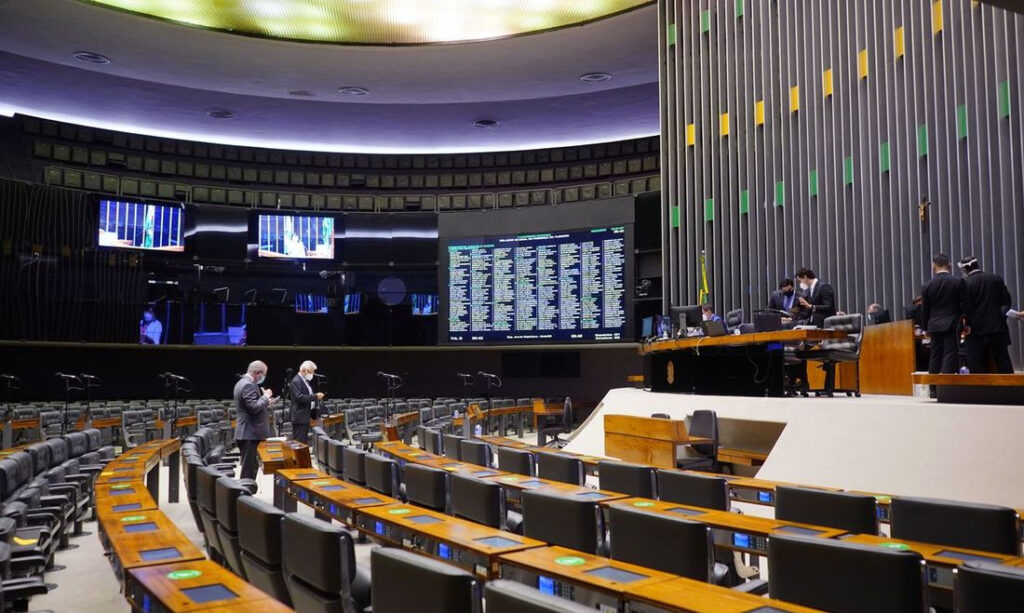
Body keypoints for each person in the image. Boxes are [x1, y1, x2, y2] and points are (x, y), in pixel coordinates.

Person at [958, 256, 1014, 373]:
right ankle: (1009, 383)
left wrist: (966, 324)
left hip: (975, 329)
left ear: (964, 269)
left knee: (975, 360)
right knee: (1002, 359)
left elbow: (965, 307)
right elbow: (1006, 301)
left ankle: (979, 384)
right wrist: (1000, 316)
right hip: (997, 327)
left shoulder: (966, 283)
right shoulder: (995, 278)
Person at [921, 253, 965, 374]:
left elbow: (925, 309)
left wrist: (925, 328)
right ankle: (946, 382)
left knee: (935, 355)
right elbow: (964, 304)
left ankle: (933, 383)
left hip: (934, 325)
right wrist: (966, 322)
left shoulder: (927, 285)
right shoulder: (958, 281)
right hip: (952, 323)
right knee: (950, 354)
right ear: (948, 264)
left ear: (934, 266)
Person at [234, 360, 274, 480]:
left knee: (251, 467)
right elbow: (253, 407)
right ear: (258, 373)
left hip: (249, 432)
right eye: (264, 374)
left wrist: (266, 402)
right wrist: (266, 396)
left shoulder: (244, 382)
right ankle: (244, 491)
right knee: (248, 470)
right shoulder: (248, 385)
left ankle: (247, 490)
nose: (264, 377)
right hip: (249, 433)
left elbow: (252, 405)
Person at [288, 360, 323, 444]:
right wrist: (315, 396)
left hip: (305, 416)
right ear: (305, 371)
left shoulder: (304, 381)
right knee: (299, 443)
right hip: (299, 417)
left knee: (303, 442)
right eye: (312, 372)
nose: (313, 374)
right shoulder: (296, 381)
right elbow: (299, 398)